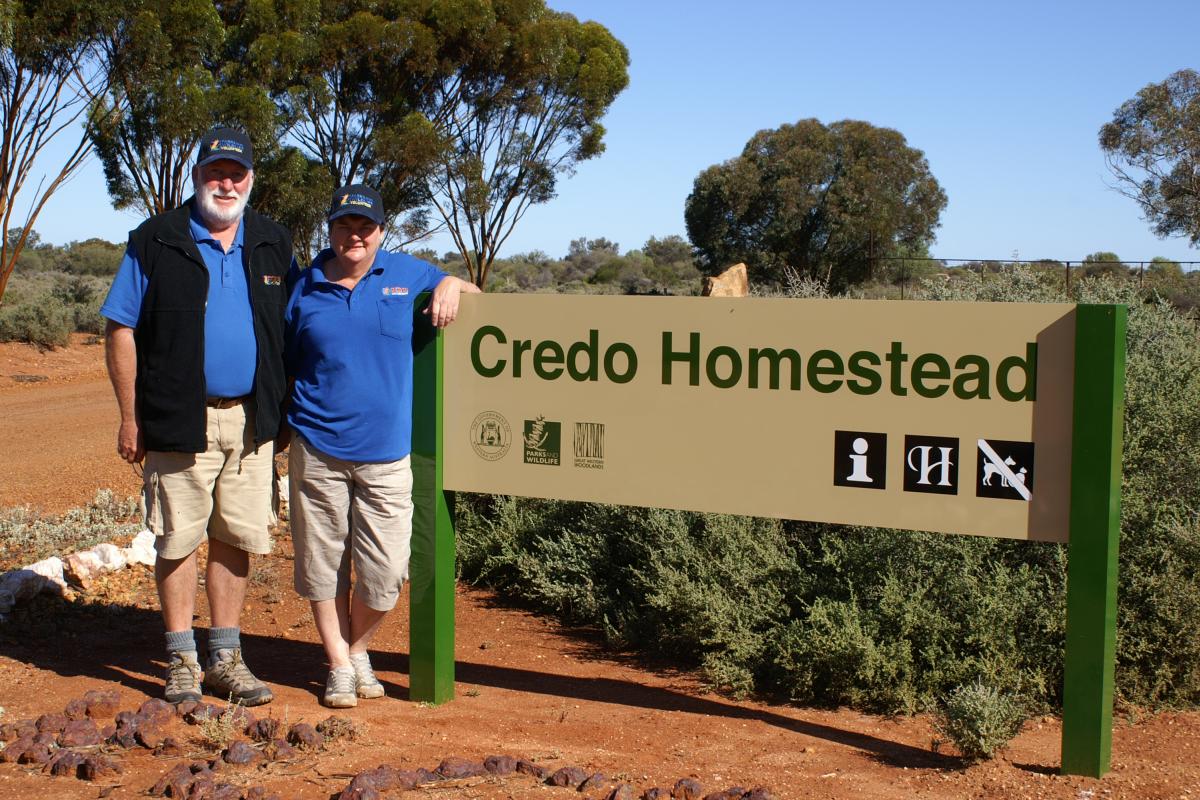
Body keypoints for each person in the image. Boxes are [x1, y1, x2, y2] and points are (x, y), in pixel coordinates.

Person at [101, 126, 292, 706]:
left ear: (251, 179)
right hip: (178, 418)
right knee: (178, 539)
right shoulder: (155, 238)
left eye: (236, 173)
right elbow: (120, 327)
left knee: (235, 539)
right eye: (216, 172)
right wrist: (130, 416)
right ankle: (182, 659)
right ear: (198, 176)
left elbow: (298, 324)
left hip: (252, 421)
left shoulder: (273, 242)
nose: (226, 182)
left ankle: (226, 658)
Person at [284, 184, 479, 707]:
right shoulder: (302, 286)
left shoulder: (407, 272)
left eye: (365, 227)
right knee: (321, 563)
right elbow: (279, 357)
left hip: (387, 454)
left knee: (387, 571)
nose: (355, 235)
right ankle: (340, 666)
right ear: (329, 229)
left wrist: (455, 283)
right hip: (317, 446)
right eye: (345, 225)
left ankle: (356, 648)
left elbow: (480, 302)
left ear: (381, 232)